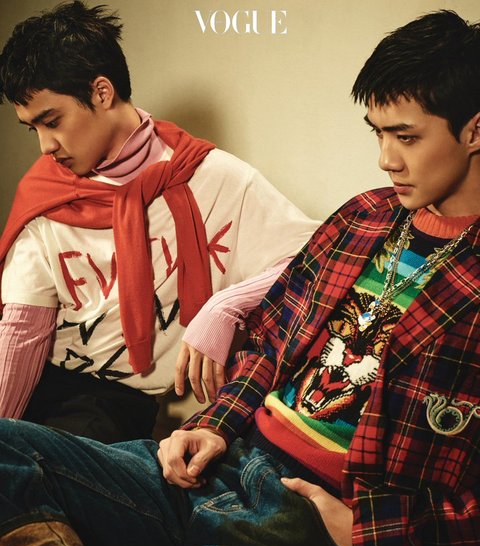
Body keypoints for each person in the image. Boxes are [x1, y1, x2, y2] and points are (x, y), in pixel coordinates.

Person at [1, 8, 480, 546]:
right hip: (230, 463)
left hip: (311, 515)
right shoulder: (365, 217)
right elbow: (271, 343)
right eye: (377, 133)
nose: (386, 158)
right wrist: (214, 424)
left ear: (473, 131)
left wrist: (371, 537)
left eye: (406, 137)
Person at [0, 1, 319, 443]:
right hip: (35, 387)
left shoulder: (213, 178)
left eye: (52, 121)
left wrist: (224, 307)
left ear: (102, 92)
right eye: (31, 128)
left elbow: (319, 259)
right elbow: (22, 332)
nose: (45, 146)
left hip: (105, 403)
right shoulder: (46, 192)